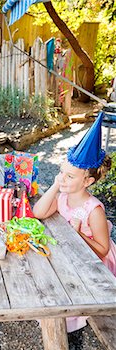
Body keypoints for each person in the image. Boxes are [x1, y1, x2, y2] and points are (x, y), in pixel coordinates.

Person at [33, 112, 116, 332]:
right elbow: (39, 212)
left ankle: (62, 320)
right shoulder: (62, 196)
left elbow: (103, 250)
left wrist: (76, 234)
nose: (63, 178)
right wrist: (54, 185)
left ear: (88, 181)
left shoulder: (93, 210)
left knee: (62, 291)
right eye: (62, 172)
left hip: (95, 267)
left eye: (70, 176)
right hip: (73, 257)